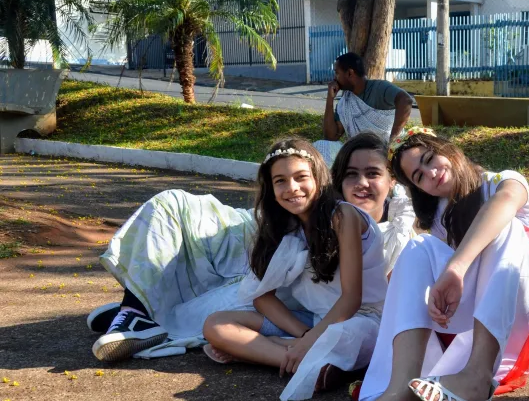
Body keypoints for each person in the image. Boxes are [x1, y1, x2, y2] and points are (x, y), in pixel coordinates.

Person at [325, 127, 529, 401]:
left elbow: (506, 201)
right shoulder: (441, 218)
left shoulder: (502, 182)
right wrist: (432, 303)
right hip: (479, 327)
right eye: (419, 177)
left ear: (449, 149)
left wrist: (456, 268)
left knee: (504, 224)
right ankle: (401, 397)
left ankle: (477, 376)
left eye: (430, 159)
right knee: (418, 247)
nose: (431, 173)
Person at [89, 135, 415, 363]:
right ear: (335, 181)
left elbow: (369, 301)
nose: (361, 183)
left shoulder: (387, 229)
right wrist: (305, 335)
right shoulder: (293, 222)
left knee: (222, 314)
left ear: (393, 182)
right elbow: (262, 292)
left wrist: (304, 339)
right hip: (300, 306)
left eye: (373, 174)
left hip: (331, 318)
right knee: (171, 204)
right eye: (350, 175)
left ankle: (152, 311)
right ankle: (140, 306)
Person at [202, 137, 388, 400]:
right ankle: (303, 362)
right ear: (271, 188)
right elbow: (262, 297)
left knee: (346, 336)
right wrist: (305, 336)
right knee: (216, 324)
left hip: (360, 321)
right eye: (280, 181)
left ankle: (266, 354)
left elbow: (351, 300)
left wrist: (309, 341)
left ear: (318, 178)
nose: (292, 188)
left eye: (301, 177)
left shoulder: (343, 216)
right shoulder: (283, 227)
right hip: (314, 322)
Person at [313, 52, 414, 165]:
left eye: (337, 73)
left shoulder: (379, 88)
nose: (334, 78)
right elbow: (330, 137)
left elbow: (406, 100)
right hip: (360, 153)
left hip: (387, 151)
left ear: (350, 73)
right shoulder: (345, 102)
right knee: (321, 146)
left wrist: (393, 142)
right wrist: (330, 99)